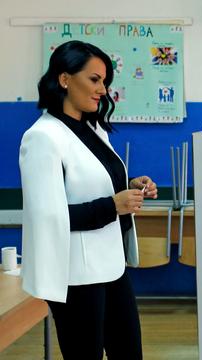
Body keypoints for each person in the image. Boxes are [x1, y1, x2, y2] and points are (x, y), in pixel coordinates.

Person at [19, 40, 158, 359]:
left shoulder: (93, 129)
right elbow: (46, 217)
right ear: (65, 79)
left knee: (130, 353)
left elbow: (92, 182)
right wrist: (114, 205)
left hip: (112, 266)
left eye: (105, 81)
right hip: (77, 277)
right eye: (95, 79)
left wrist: (131, 184)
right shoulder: (42, 137)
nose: (103, 89)